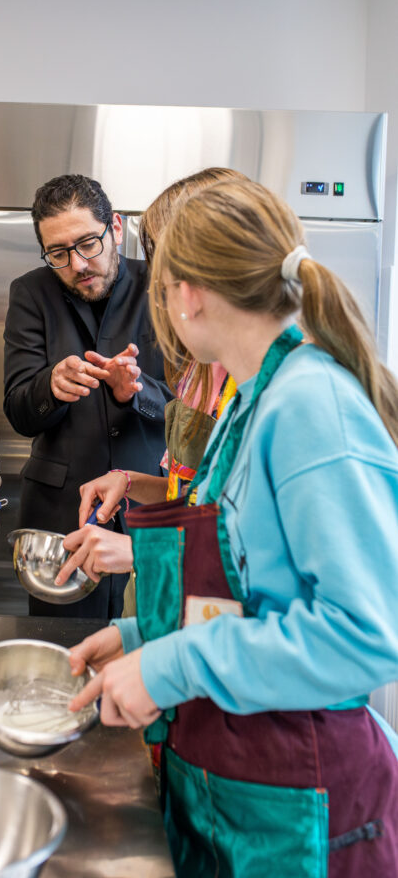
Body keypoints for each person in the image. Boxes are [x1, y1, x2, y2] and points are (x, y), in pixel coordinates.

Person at [68, 178, 398, 875]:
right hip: (232, 782)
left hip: (296, 804)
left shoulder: (311, 408)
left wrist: (172, 663)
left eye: (159, 291)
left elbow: (363, 635)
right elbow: (254, 594)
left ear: (185, 294)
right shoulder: (252, 401)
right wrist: (137, 636)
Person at [56, 168, 246, 614]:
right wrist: (131, 481)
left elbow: (266, 554)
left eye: (164, 281)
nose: (160, 301)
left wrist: (143, 551)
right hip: (170, 611)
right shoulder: (204, 371)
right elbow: (197, 497)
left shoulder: (277, 394)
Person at [3, 174, 170, 619]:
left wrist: (135, 392)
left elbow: (192, 408)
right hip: (59, 519)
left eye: (87, 244)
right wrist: (50, 388)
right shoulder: (31, 294)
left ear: (115, 228)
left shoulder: (162, 286)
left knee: (145, 647)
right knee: (63, 657)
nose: (77, 264)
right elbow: (19, 411)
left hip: (151, 507)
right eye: (58, 253)